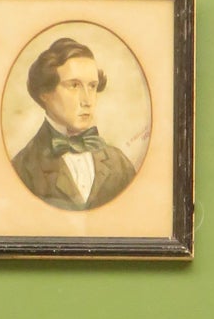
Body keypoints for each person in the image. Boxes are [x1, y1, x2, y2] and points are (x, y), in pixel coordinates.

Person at [10, 36, 138, 211]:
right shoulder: (21, 169)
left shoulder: (119, 164)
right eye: (74, 86)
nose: (87, 100)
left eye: (92, 86)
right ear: (45, 93)